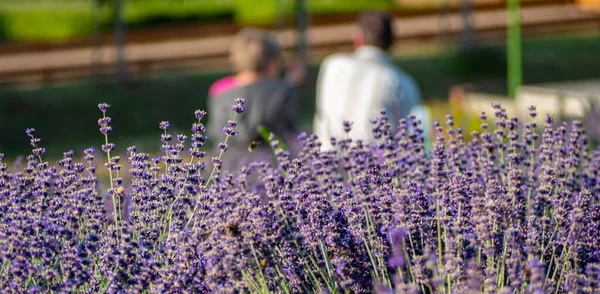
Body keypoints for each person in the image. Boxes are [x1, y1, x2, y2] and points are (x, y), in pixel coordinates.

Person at [313, 11, 426, 150]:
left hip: (326, 165)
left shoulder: (332, 65)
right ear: (391, 43)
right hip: (378, 166)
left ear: (358, 39)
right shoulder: (402, 83)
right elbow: (412, 138)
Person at [208, 28, 305, 169]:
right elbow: (289, 133)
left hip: (226, 170)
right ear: (272, 62)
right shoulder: (283, 91)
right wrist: (288, 84)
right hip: (268, 168)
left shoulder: (218, 90)